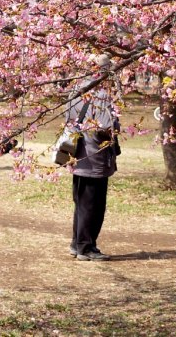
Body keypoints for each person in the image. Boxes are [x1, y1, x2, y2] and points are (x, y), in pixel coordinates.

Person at [65, 57, 119, 262]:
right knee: (93, 205)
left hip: (77, 155)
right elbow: (104, 129)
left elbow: (68, 120)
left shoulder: (75, 91)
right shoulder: (103, 96)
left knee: (81, 203)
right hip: (95, 157)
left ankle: (76, 242)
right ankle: (86, 248)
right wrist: (116, 128)